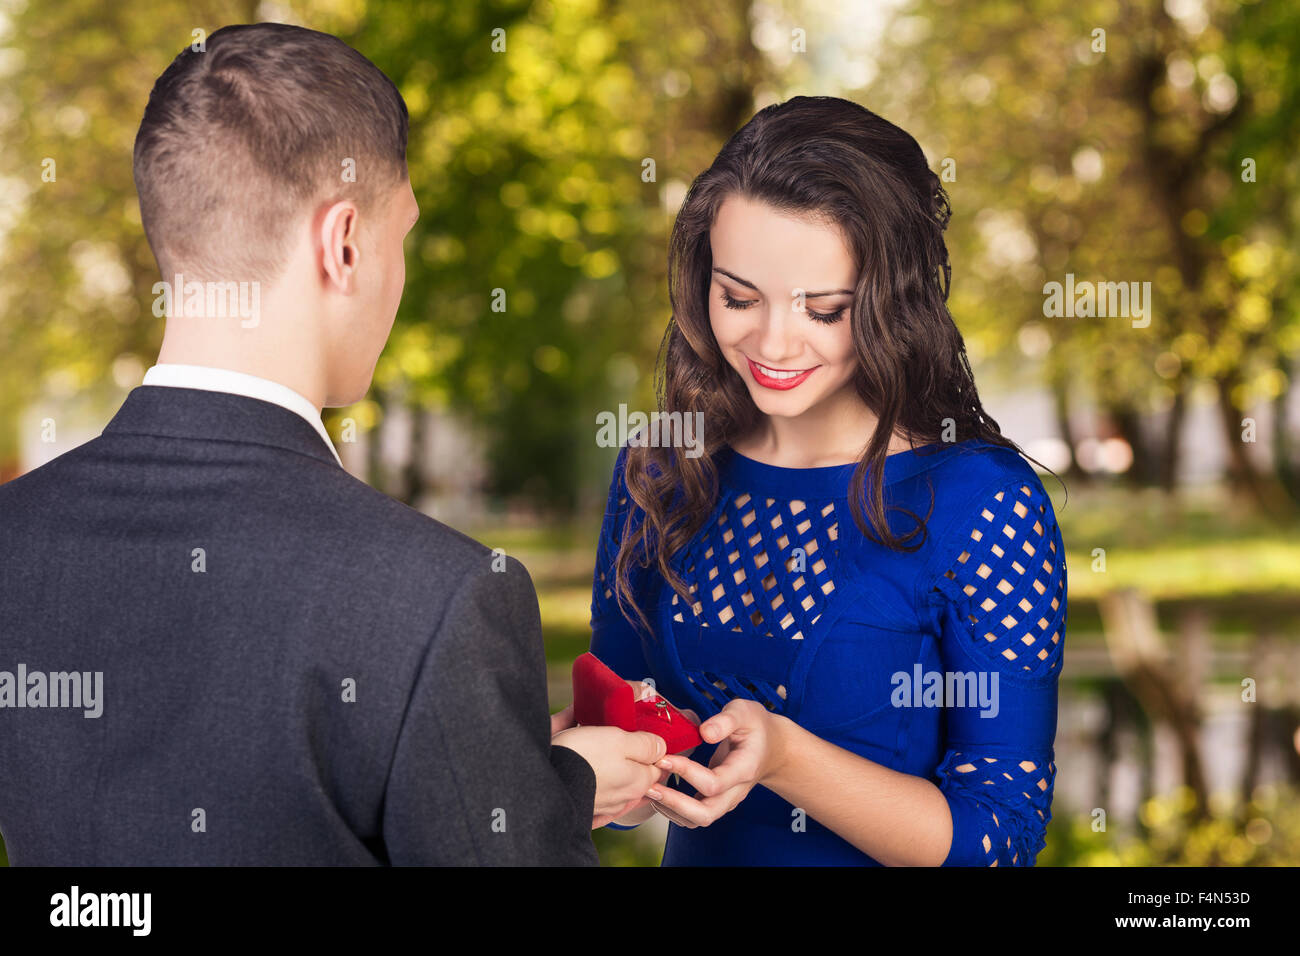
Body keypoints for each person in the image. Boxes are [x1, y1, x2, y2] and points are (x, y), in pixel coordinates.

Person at [0, 22, 665, 866]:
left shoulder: (14, 538)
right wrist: (550, 799)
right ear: (343, 243)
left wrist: (495, 765)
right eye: (402, 237)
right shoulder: (440, 597)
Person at [589, 95, 1067, 865]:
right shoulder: (660, 473)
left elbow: (1000, 837)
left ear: (892, 303)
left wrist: (786, 759)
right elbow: (618, 765)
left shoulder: (983, 501)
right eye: (738, 297)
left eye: (826, 309)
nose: (773, 341)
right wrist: (576, 772)